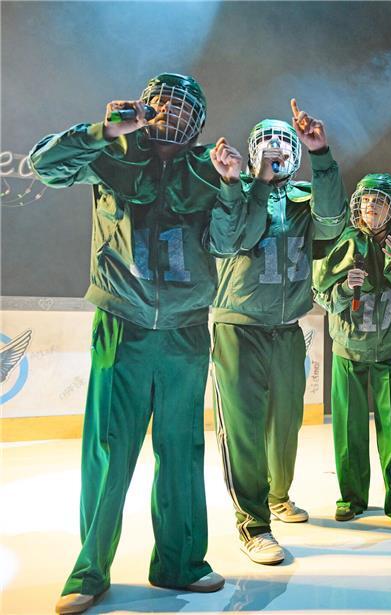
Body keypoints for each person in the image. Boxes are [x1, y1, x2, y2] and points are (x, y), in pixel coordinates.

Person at [29, 73, 248, 613]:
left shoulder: (206, 169)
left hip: (186, 327)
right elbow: (45, 166)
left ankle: (180, 562)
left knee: (181, 451)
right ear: (146, 107)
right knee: (108, 449)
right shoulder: (115, 152)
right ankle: (89, 570)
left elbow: (232, 241)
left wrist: (230, 185)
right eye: (164, 107)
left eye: (184, 110)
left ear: (198, 121)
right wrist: (102, 131)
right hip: (122, 323)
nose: (172, 118)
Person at [210, 100, 347, 565]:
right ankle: (253, 525)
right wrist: (256, 184)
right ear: (252, 154)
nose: (278, 151)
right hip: (240, 325)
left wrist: (322, 153)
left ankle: (277, 495)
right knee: (245, 430)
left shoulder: (307, 195)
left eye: (287, 144)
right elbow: (233, 239)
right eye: (269, 146)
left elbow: (334, 222)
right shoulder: (234, 188)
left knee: (285, 424)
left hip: (288, 328)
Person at [313, 173, 391, 533]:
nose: (370, 207)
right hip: (348, 349)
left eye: (379, 201)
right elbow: (321, 295)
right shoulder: (344, 240)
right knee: (348, 429)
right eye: (366, 200)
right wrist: (345, 292)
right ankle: (351, 497)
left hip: (390, 350)